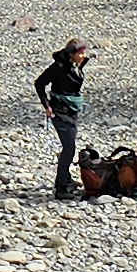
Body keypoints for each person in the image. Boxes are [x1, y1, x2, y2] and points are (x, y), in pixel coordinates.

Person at [32, 36, 92, 200]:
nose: (83, 56)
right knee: (69, 148)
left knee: (69, 146)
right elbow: (39, 83)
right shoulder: (58, 67)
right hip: (59, 111)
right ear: (71, 54)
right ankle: (61, 187)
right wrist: (46, 106)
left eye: (84, 52)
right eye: (80, 53)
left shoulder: (76, 65)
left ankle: (66, 179)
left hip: (71, 110)